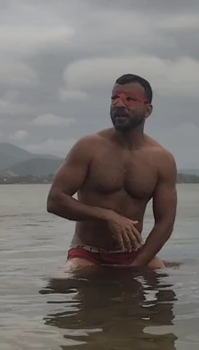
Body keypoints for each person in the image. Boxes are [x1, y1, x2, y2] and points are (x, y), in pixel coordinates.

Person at [46, 74, 177, 273]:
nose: (119, 104)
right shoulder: (89, 147)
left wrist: (136, 265)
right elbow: (55, 200)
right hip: (88, 253)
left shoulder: (162, 160)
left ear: (148, 110)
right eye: (114, 98)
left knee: (171, 282)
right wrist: (107, 215)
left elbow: (165, 223)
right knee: (64, 279)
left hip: (135, 253)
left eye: (130, 99)